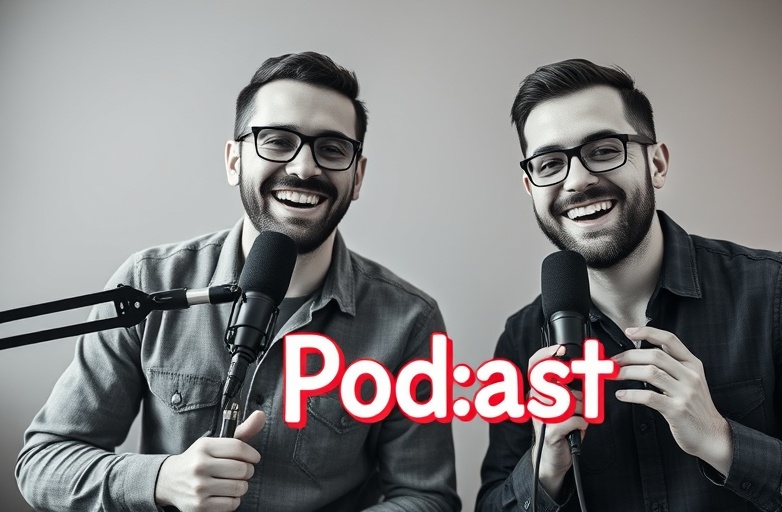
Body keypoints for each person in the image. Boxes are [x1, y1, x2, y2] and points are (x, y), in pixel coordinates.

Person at [16, 51, 460, 512]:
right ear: (234, 161)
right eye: (277, 140)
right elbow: (43, 463)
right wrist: (163, 479)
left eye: (332, 149)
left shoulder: (409, 320)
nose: (305, 168)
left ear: (358, 176)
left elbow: (426, 497)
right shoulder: (148, 282)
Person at [476, 59, 782, 511]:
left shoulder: (776, 292)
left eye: (603, 150)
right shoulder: (522, 340)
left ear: (656, 163)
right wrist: (543, 472)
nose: (577, 180)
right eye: (550, 163)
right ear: (530, 186)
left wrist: (723, 442)